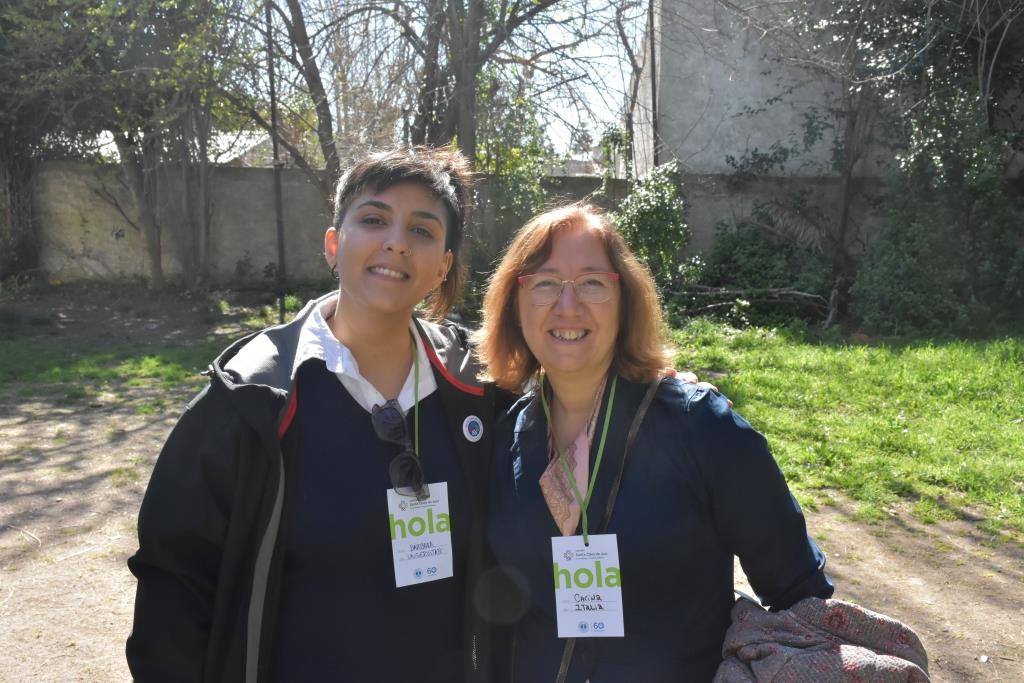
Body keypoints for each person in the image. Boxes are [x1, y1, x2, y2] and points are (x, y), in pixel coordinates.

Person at [126, 146, 499, 682]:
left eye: (422, 230)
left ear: (442, 267)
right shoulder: (249, 396)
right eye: (373, 219)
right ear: (333, 243)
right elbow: (173, 582)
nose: (395, 241)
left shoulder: (479, 391)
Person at [475, 204, 834, 682]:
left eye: (592, 283)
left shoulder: (698, 425)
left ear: (626, 302)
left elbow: (801, 596)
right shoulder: (504, 441)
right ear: (514, 307)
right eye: (544, 283)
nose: (567, 305)